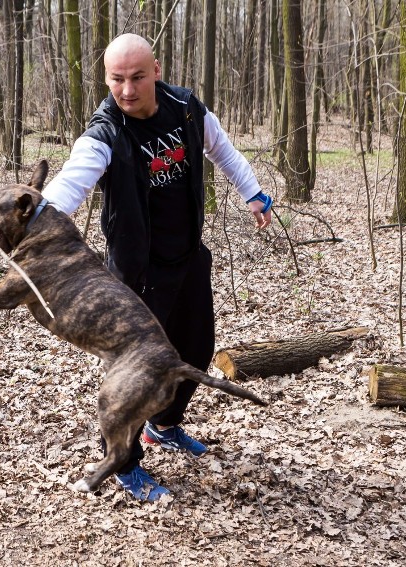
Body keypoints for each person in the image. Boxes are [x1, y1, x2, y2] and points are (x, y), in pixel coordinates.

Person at [41, 33, 273, 501]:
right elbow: (72, 183)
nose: (126, 90)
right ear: (107, 79)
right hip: (136, 277)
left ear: (157, 71)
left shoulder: (186, 109)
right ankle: (122, 464)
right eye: (117, 80)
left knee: (195, 351)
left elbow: (222, 150)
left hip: (188, 259)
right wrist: (36, 219)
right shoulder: (104, 134)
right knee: (133, 380)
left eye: (137, 77)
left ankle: (163, 427)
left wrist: (253, 193)